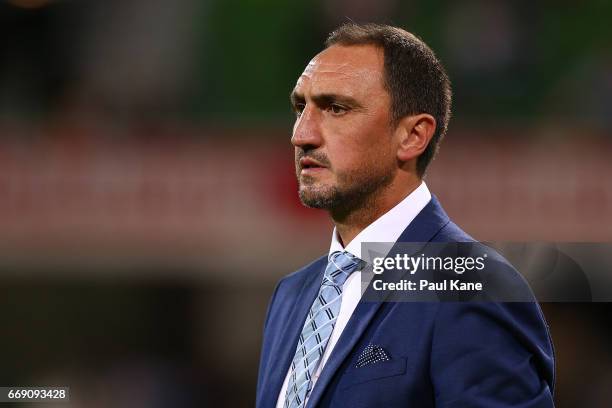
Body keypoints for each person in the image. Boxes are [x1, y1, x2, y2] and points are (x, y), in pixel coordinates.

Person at [256, 23, 555, 408]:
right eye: (301, 107)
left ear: (413, 136)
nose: (302, 134)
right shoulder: (292, 294)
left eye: (336, 108)